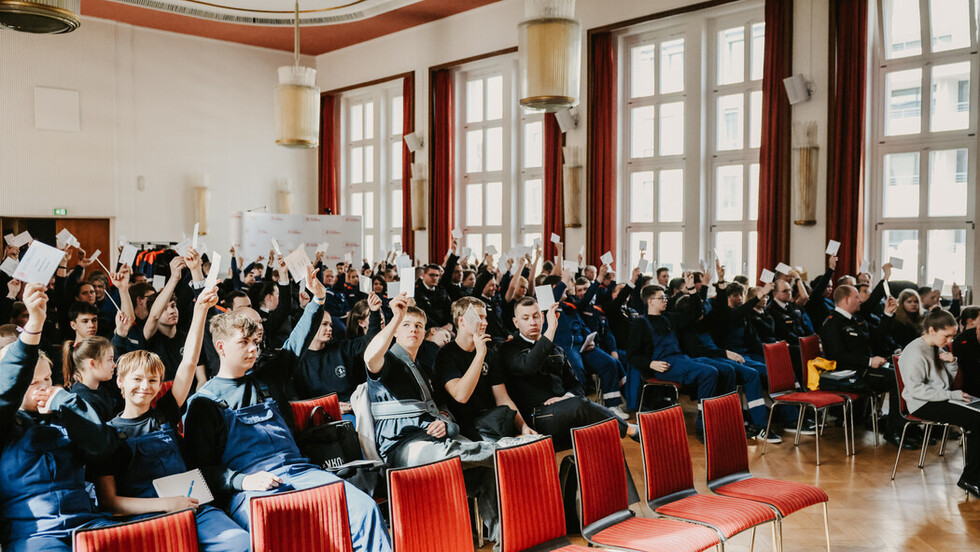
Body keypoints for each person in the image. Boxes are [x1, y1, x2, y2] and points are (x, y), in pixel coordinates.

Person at [182, 309, 391, 550]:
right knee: (278, 532)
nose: (253, 349)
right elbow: (201, 470)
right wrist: (242, 480)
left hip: (302, 473)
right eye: (243, 342)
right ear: (221, 347)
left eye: (254, 342)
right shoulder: (203, 402)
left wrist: (317, 301)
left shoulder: (268, 379)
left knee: (364, 509)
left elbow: (298, 340)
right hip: (252, 488)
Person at [93, 288, 250, 552]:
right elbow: (110, 501)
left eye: (153, 380)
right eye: (137, 379)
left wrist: (200, 310)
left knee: (241, 542)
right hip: (146, 518)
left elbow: (189, 362)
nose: (145, 386)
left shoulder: (164, 412)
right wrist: (167, 504)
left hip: (194, 507)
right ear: (120, 381)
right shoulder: (106, 434)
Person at [0, 284, 121, 552]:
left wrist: (66, 404)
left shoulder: (65, 412)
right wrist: (35, 324)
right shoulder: (5, 421)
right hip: (35, 535)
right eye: (33, 383)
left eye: (46, 379)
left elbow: (104, 447)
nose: (43, 387)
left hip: (88, 525)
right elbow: (9, 382)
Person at [498, 295, 638, 451]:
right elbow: (528, 365)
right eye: (525, 318)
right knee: (580, 405)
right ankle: (630, 430)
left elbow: (576, 385)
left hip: (566, 410)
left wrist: (565, 398)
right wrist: (551, 329)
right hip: (536, 417)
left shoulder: (556, 348)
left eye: (536, 316)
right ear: (516, 322)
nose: (532, 322)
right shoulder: (508, 349)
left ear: (542, 317)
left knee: (607, 435)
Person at [898, 309, 980, 497]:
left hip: (939, 397)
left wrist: (952, 363)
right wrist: (953, 395)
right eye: (947, 336)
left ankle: (973, 475)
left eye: (953, 336)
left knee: (977, 418)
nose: (950, 341)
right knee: (977, 421)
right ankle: (971, 478)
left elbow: (945, 382)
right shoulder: (914, 352)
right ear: (932, 330)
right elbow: (916, 391)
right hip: (922, 403)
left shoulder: (937, 347)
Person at [627, 284, 724, 436]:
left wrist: (692, 290)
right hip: (663, 366)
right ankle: (703, 427)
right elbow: (632, 355)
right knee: (709, 373)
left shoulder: (669, 318)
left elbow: (695, 314)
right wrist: (650, 364)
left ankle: (717, 419)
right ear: (650, 301)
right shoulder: (640, 324)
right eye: (661, 298)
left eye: (665, 297)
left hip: (679, 359)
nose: (665, 300)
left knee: (723, 369)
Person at [819, 285, 909, 448]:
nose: (860, 300)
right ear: (847, 300)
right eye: (856, 297)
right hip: (849, 374)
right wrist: (868, 361)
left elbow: (876, 340)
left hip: (866, 368)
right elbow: (837, 357)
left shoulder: (855, 319)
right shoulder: (832, 323)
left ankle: (908, 427)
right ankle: (895, 431)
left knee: (906, 372)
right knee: (897, 379)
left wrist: (887, 314)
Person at [435, 297, 536, 441]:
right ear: (462, 321)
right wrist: (480, 354)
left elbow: (502, 398)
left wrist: (524, 427)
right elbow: (461, 396)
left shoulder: (489, 354)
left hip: (491, 422)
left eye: (485, 317)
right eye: (479, 317)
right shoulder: (446, 354)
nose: (485, 323)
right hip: (463, 427)